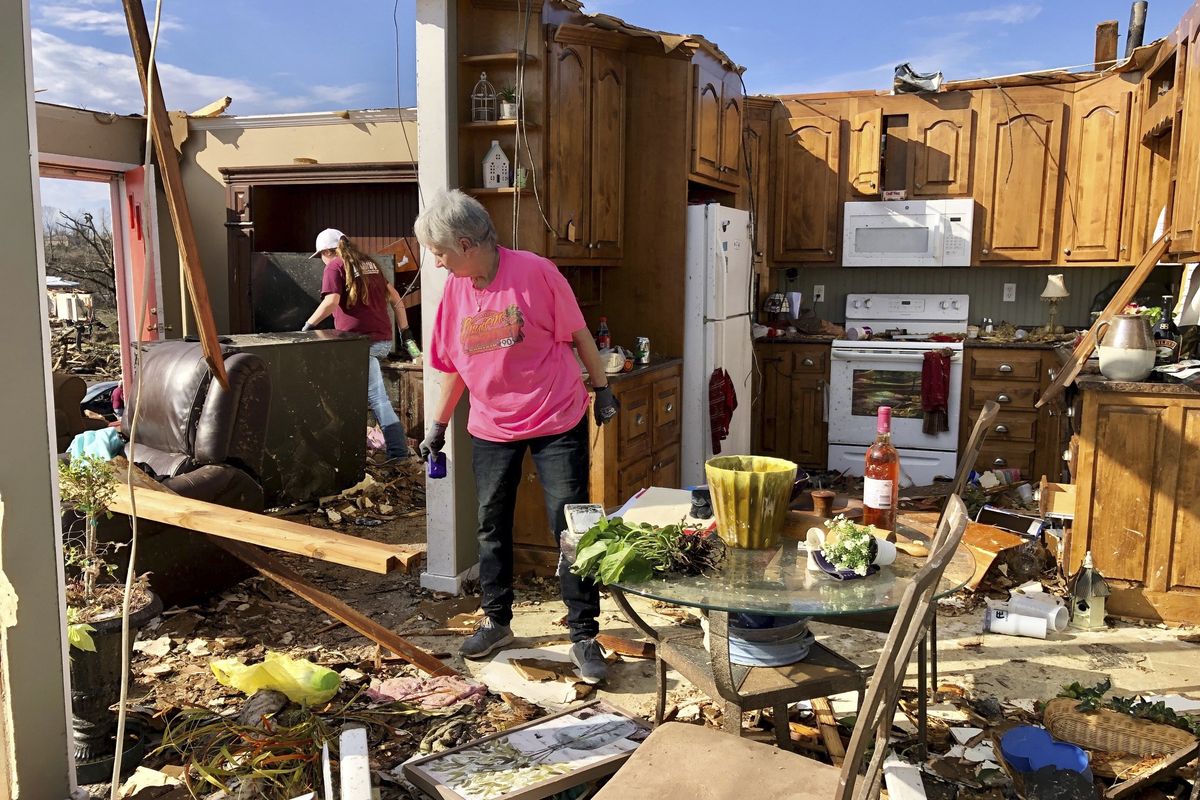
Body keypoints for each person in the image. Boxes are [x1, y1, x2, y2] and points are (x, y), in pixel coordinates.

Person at [415, 189, 619, 684]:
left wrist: (602, 388)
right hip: (490, 425)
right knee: (491, 521)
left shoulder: (537, 273)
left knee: (572, 525)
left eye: (439, 253)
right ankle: (496, 620)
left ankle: (584, 633)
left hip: (556, 415)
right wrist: (437, 427)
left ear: (465, 244)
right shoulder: (454, 295)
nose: (437, 264)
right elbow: (454, 370)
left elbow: (579, 337)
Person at [302, 228, 421, 460]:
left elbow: (331, 301)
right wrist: (406, 335)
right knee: (355, 394)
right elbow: (396, 298)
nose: (322, 261)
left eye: (321, 255)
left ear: (329, 251)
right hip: (382, 341)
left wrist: (306, 326)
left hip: (357, 344)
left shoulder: (334, 266)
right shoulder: (370, 264)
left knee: (374, 398)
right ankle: (357, 447)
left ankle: (396, 452)